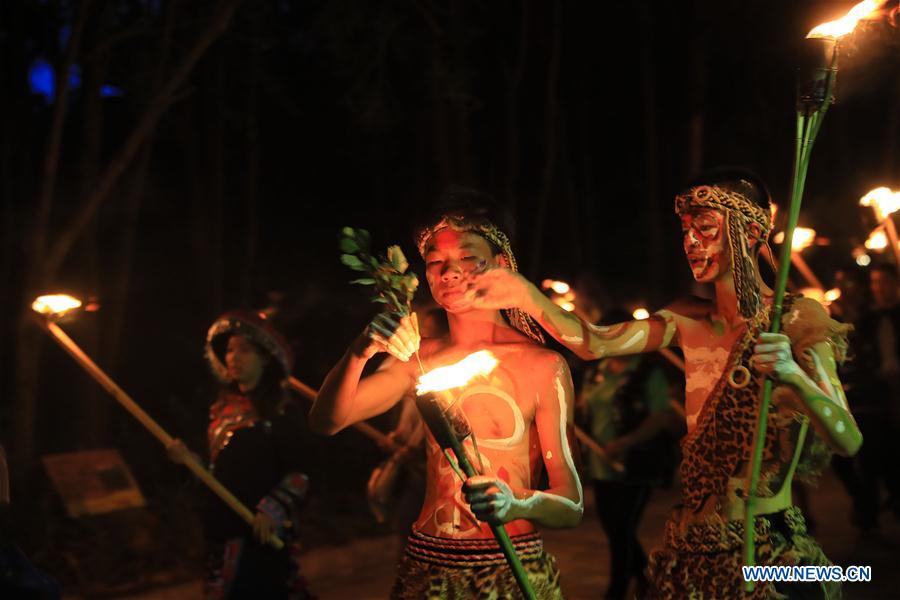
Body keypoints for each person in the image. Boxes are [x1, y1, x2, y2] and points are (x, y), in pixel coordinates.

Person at [464, 168, 862, 599]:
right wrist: (525, 295)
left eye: (705, 228)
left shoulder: (798, 319)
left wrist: (794, 377)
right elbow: (595, 343)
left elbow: (849, 440)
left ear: (749, 231)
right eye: (686, 230)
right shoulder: (686, 319)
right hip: (693, 552)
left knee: (847, 579)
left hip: (773, 553)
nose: (690, 241)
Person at [310, 186, 583, 599]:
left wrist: (517, 504)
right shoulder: (418, 360)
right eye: (436, 262)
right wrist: (358, 352)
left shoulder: (542, 366)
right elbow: (327, 421)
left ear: (502, 264)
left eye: (467, 258)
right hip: (429, 568)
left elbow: (571, 503)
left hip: (509, 571)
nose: (449, 272)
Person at [170, 311, 313, 599]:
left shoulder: (282, 410)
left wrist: (272, 508)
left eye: (244, 350)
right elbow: (215, 470)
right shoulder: (218, 410)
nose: (234, 357)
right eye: (230, 350)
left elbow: (301, 472)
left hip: (261, 531)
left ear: (265, 358)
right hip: (222, 526)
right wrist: (189, 463)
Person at [577, 309, 680, 599]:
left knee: (622, 527)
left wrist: (626, 442)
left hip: (636, 463)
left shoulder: (648, 372)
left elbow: (659, 416)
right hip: (601, 463)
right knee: (615, 528)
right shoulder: (597, 370)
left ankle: (618, 590)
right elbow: (586, 406)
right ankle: (645, 580)